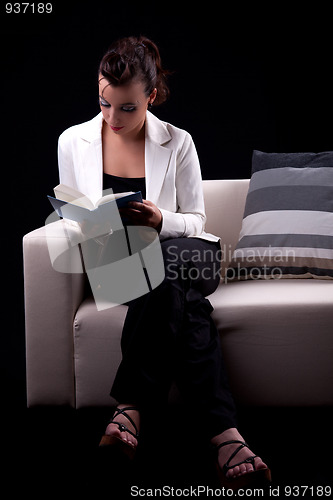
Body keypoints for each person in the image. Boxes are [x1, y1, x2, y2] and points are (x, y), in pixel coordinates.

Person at [57, 35, 271, 489]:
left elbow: (196, 220)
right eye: (104, 104)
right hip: (121, 261)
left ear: (150, 96)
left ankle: (130, 407)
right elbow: (75, 220)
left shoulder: (178, 141)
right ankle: (225, 434)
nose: (113, 118)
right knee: (182, 302)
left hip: (190, 252)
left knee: (168, 264)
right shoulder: (72, 141)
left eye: (127, 108)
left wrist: (159, 218)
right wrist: (100, 228)